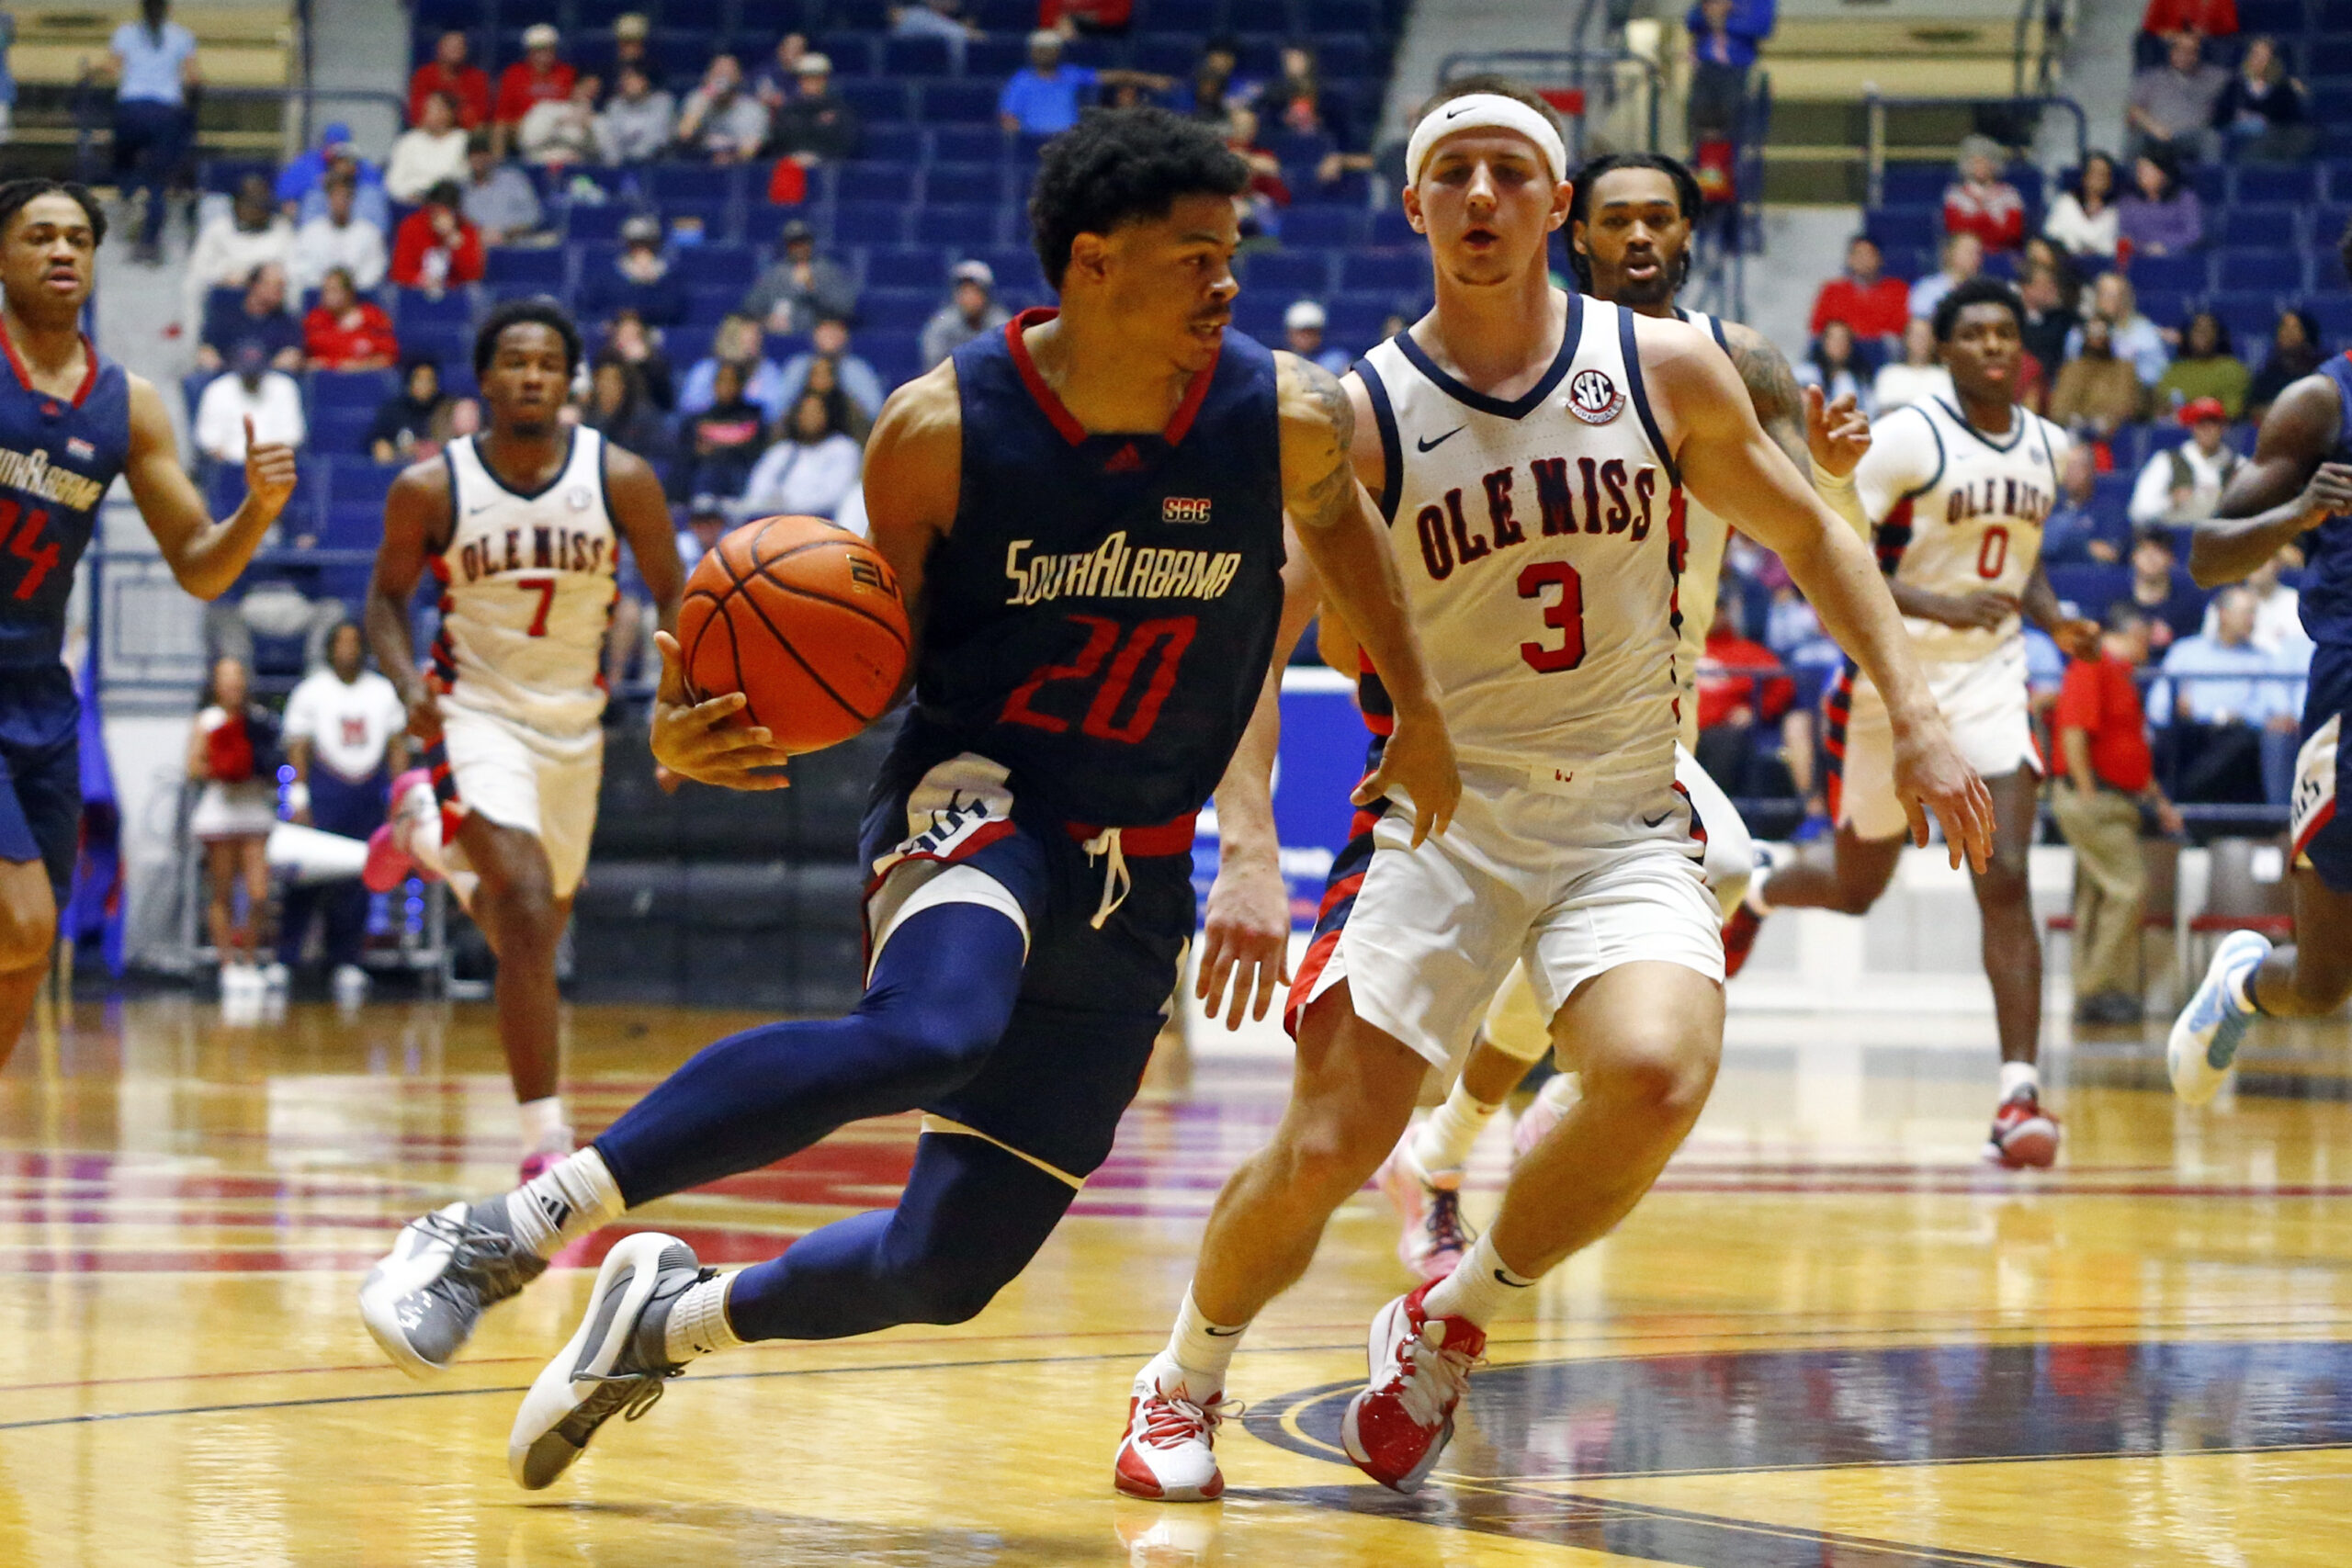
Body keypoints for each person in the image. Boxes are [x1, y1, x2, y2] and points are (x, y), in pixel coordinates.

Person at [355, 110, 1460, 1502]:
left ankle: (668, 1318)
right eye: (1198, 259)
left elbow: (1344, 530)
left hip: (1139, 863)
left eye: (1232, 255)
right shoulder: (941, 431)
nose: (1228, 285)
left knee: (946, 1267)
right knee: (934, 1026)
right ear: (1094, 266)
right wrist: (716, 724)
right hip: (978, 797)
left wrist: (1415, 710)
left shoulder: (1286, 412)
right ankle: (501, 1227)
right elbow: (870, 657)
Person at [1112, 90, 1987, 1503]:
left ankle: (1452, 1321)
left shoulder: (1669, 368)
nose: (1479, 195)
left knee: (1654, 1071)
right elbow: (1242, 650)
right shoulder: (1361, 414)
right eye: (1449, 172)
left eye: (1509, 172)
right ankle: (1184, 1373)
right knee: (1331, 1141)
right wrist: (1251, 850)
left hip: (1624, 813)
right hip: (1437, 819)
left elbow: (1820, 539)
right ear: (1414, 208)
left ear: (1554, 205)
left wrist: (1921, 713)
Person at [1365, 149, 1872, 1277]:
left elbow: (1817, 537)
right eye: (1615, 220)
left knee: (1714, 880)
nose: (1639, 237)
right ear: (1571, 230)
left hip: (1652, 713)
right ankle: (1456, 1138)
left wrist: (1835, 482)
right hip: (1516, 726)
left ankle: (1445, 1150)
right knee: (1724, 866)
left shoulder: (1732, 364)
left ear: (1691, 234)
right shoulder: (1499, 356)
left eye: (1660, 219)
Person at [1725, 278, 2093, 1171]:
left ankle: (2017, 1099)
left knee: (2002, 873)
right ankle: (1762, 890)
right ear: (1945, 349)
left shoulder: (2049, 446)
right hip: (1893, 679)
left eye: (2006, 332)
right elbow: (1826, 557)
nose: (1994, 346)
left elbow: (2018, 563)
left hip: (1994, 678)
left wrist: (2050, 618)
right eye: (1974, 334)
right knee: (1857, 889)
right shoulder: (1907, 440)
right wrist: (1938, 602)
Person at [359, 300, 684, 1179]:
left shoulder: (621, 479)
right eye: (515, 361)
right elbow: (386, 600)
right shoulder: (431, 486)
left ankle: (421, 832)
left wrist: (676, 715)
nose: (533, 375)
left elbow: (675, 596)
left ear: (572, 379)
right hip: (473, 713)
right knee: (530, 903)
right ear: (486, 379)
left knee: (525, 935)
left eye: (548, 363)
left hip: (574, 728)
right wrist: (402, 683)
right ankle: (547, 1140)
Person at [0, 180, 295, 1064]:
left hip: (39, 690)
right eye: (40, 236)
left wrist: (258, 509)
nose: (63, 251)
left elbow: (200, 566)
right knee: (21, 915)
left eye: (80, 239)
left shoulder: (127, 404)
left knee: (29, 946)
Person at [2170, 235, 2352, 1096]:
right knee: (2321, 983)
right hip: (2346, 703)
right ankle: (2243, 981)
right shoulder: (2319, 405)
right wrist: (2296, 518)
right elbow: (2207, 556)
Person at [2051, 605, 2181, 1024]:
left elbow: (2126, 749)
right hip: (2097, 801)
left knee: (2099, 896)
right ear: (2133, 632)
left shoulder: (2118, 674)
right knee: (2128, 888)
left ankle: (2094, 993)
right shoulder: (2093, 667)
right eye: (2147, 637)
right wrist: (2088, 795)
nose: (2150, 647)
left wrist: (2158, 801)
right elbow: (2073, 732)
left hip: (2115, 801)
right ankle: (2099, 989)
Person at [278, 621, 409, 1001]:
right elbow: (298, 745)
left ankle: (347, 958)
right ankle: (288, 956)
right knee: (306, 875)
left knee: (359, 877)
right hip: (325, 789)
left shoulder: (383, 692)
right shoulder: (312, 691)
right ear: (330, 647)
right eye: (342, 642)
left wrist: (398, 798)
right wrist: (298, 794)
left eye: (355, 642)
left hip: (367, 791)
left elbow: (397, 744)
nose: (348, 650)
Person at [2149, 583, 2301, 805]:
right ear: (2224, 615)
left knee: (2243, 741)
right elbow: (2158, 704)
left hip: (2240, 733)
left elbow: (2277, 707)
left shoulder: (2262, 659)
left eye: (2254, 613)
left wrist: (2241, 715)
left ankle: (2184, 802)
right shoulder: (2186, 651)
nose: (2252, 620)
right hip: (2192, 730)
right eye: (2246, 613)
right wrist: (2178, 707)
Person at [186, 656, 280, 995]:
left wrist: (259, 766)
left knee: (258, 893)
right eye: (226, 678)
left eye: (238, 677)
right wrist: (223, 766)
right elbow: (192, 768)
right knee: (222, 890)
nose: (233, 685)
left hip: (254, 811)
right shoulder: (207, 721)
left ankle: (251, 958)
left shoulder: (260, 720)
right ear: (215, 684)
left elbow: (276, 765)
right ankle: (228, 964)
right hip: (221, 814)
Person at [107, 0, 198, 264]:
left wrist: (90, 71)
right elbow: (194, 78)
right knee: (159, 182)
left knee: (123, 164)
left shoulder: (125, 33)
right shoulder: (181, 36)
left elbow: (112, 68)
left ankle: (129, 197)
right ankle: (149, 241)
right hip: (165, 113)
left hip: (131, 110)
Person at [183, 174, 294, 344]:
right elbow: (200, 268)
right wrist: (224, 275)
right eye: (250, 201)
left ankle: (287, 344)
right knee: (191, 285)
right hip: (226, 288)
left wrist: (257, 279)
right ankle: (196, 345)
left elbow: (290, 268)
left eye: (261, 201)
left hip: (269, 292)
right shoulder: (218, 229)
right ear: (237, 203)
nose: (256, 207)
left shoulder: (281, 229)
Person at [997, 31, 1161, 136]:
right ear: (1031, 53)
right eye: (1040, 49)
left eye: (1049, 49)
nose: (1044, 54)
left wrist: (1153, 80)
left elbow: (1114, 77)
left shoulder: (1071, 74)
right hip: (1032, 143)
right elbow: (1008, 117)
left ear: (1059, 52)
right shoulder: (1020, 81)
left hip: (1069, 141)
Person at [733, 389, 861, 520]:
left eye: (816, 411)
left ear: (828, 414)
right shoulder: (782, 450)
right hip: (773, 521)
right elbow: (755, 491)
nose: (810, 417)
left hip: (821, 523)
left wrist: (787, 504)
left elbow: (833, 497)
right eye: (804, 412)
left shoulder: (843, 448)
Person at [2131, 396, 2243, 525]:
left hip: (2223, 539)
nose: (2207, 429)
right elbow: (2138, 510)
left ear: (2223, 426)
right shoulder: (2166, 460)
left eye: (2213, 422)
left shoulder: (2239, 465)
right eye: (2201, 423)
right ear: (2193, 426)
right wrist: (2171, 501)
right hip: (2178, 538)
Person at [195, 343, 306, 463]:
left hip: (275, 465)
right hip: (230, 466)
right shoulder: (217, 389)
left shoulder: (284, 386)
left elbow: (293, 436)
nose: (252, 378)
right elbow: (208, 440)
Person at [741, 220, 857, 333]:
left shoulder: (828, 271)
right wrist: (766, 320)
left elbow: (845, 308)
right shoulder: (775, 273)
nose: (799, 247)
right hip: (778, 337)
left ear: (810, 242)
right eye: (793, 243)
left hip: (815, 337)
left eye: (803, 241)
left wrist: (813, 289)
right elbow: (750, 307)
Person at [2129, 29, 2228, 163]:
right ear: (2171, 52)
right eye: (2179, 50)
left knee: (2211, 138)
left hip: (2192, 136)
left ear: (2198, 54)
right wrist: (2154, 127)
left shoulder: (2215, 77)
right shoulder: (2151, 77)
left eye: (2190, 51)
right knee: (2135, 140)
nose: (2184, 55)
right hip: (2156, 134)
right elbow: (2134, 111)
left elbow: (2242, 79)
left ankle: (2209, 180)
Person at [2215, 35, 2313, 163]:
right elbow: (2220, 114)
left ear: (2273, 60)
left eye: (2264, 56)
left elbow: (2290, 118)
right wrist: (2237, 116)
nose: (2258, 60)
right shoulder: (2235, 85)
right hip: (2238, 135)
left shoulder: (2282, 87)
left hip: (2273, 137)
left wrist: (2265, 119)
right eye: (2255, 54)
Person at [2050, 316, 2148, 442]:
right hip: (2075, 435)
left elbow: (2126, 404)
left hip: (2115, 436)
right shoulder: (2072, 369)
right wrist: (2075, 420)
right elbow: (2059, 407)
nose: (2097, 340)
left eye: (2101, 334)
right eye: (2093, 334)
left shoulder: (2124, 369)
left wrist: (2107, 420)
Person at [1685, 0, 1772, 140]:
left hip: (1738, 67)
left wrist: (1723, 20)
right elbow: (1691, 21)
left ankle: (1730, 157)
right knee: (1702, 124)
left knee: (1735, 122)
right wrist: (1710, 16)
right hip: (1706, 67)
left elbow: (1762, 27)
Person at [679, 313, 788, 423]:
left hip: (752, 429)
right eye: (750, 335)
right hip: (710, 426)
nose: (756, 340)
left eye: (758, 335)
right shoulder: (706, 369)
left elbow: (774, 410)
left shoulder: (767, 369)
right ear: (730, 337)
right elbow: (689, 407)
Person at [681, 361, 769, 498]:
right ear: (714, 385)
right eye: (722, 381)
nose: (726, 387)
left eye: (732, 381)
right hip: (703, 482)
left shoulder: (755, 417)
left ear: (741, 385)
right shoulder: (697, 420)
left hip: (741, 480)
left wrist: (718, 448)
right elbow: (687, 453)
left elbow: (756, 453)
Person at [197, 262, 302, 376]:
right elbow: (207, 349)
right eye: (276, 285)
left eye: (283, 287)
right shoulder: (225, 315)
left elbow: (291, 356)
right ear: (255, 285)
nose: (280, 292)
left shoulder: (288, 322)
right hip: (227, 379)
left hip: (270, 381)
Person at [290, 172, 387, 294]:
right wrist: (329, 288)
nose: (340, 202)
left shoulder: (370, 233)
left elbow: (375, 271)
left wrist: (346, 289)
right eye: (335, 196)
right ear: (328, 198)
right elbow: (300, 268)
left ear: (352, 199)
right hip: (319, 299)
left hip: (358, 299)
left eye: (345, 197)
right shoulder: (309, 233)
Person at [582, 215, 685, 328]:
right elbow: (590, 307)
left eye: (647, 244)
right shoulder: (607, 276)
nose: (641, 250)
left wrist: (651, 284)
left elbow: (674, 311)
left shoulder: (668, 277)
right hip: (615, 331)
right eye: (635, 244)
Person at [775, 316, 884, 422]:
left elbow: (874, 411)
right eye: (825, 330)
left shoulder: (857, 368)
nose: (830, 336)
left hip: (847, 435)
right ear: (814, 335)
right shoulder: (798, 365)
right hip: (798, 436)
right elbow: (778, 410)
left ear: (845, 336)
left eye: (835, 330)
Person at [764, 51, 862, 166]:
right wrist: (793, 158)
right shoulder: (788, 110)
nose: (812, 83)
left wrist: (820, 159)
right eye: (806, 78)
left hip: (828, 171)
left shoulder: (839, 110)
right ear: (799, 81)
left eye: (817, 78)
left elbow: (846, 143)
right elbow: (777, 143)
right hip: (791, 168)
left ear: (825, 80)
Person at [1810, 234, 1909, 346]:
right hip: (1841, 352)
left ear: (1880, 259)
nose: (1864, 260)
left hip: (1881, 353)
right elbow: (1817, 328)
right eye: (1859, 254)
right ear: (1850, 260)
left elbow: (1900, 329)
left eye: (1869, 254)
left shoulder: (1897, 290)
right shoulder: (1832, 290)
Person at [495, 24, 576, 157]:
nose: (544, 53)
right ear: (529, 51)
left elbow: (573, 108)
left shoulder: (567, 73)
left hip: (561, 134)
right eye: (539, 49)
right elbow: (502, 119)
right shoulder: (514, 74)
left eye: (549, 48)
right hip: (526, 134)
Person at [390, 181, 485, 294]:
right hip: (416, 292)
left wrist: (455, 243)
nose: (439, 218)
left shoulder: (467, 230)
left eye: (445, 212)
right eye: (434, 212)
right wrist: (422, 280)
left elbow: (473, 277)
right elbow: (399, 272)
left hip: (454, 295)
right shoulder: (411, 226)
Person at [2043, 441, 2128, 564]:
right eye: (2065, 466)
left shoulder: (2109, 509)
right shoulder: (2051, 506)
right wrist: (2086, 545)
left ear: (2090, 469)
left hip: (2092, 579)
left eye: (2075, 466)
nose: (2069, 472)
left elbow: (2109, 553)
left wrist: (2059, 542)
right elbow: (2036, 549)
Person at [675, 54, 769, 164]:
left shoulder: (754, 109)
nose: (723, 78)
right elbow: (684, 135)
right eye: (718, 72)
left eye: (728, 73)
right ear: (708, 77)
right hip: (698, 164)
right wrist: (707, 97)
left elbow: (749, 152)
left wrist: (729, 160)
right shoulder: (697, 99)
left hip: (735, 169)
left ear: (739, 78)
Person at [920, 260, 1011, 369]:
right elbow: (933, 365)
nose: (969, 298)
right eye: (964, 291)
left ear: (986, 294)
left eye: (975, 291)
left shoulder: (1002, 325)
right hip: (950, 383)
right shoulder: (941, 325)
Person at [2127, 525, 2208, 651]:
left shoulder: (2189, 606)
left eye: (2159, 551)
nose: (2150, 557)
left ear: (2171, 559)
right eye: (2143, 550)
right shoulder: (2117, 602)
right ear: (2133, 557)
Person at [304, 267, 398, 372]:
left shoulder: (372, 316)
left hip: (365, 378)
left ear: (349, 292)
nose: (328, 296)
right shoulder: (315, 319)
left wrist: (360, 366)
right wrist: (335, 365)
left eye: (334, 290)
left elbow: (388, 357)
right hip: (326, 379)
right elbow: (308, 358)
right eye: (325, 291)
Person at [1942, 134, 2024, 253]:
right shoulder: (1955, 195)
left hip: (2001, 254)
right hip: (1966, 255)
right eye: (1975, 162)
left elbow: (2012, 233)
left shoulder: (2009, 194)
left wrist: (1975, 221)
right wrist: (1992, 223)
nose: (1980, 166)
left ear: (1994, 164)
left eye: (1985, 161)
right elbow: (1956, 231)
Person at [581, 356, 668, 467]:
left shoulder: (644, 419)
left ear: (625, 385)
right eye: (601, 379)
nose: (605, 385)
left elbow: (656, 460)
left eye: (612, 380)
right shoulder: (589, 417)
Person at [389, 91, 471, 205]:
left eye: (435, 109)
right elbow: (393, 182)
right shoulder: (408, 141)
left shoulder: (462, 140)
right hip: (410, 203)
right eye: (427, 109)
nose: (428, 113)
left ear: (449, 112)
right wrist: (410, 195)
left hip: (448, 202)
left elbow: (463, 177)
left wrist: (433, 194)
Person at [459, 135, 544, 247]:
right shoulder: (461, 190)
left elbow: (534, 216)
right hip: (479, 251)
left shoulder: (513, 179)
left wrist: (506, 233)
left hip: (517, 247)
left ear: (491, 156)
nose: (479, 159)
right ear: (467, 159)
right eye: (474, 155)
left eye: (483, 154)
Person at [2117, 150, 2202, 257]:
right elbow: (2125, 237)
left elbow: (2193, 234)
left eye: (2146, 171)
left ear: (2163, 173)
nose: (2140, 175)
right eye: (2139, 171)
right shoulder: (2128, 202)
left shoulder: (2185, 199)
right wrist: (2145, 248)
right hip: (2139, 260)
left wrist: (2166, 247)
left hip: (2177, 260)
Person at [2042, 152, 2120, 263]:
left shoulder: (2115, 212)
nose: (2097, 179)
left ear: (2109, 181)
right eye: (2093, 173)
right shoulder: (2066, 204)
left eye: (2102, 174)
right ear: (2084, 177)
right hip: (2067, 269)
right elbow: (2050, 240)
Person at [2247, 309, 2323, 422]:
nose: (2287, 333)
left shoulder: (2320, 369)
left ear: (2307, 333)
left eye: (2294, 328)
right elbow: (2254, 408)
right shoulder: (2269, 372)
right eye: (2284, 328)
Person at [371, 357, 449, 465]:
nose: (424, 385)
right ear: (409, 383)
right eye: (419, 380)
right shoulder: (393, 410)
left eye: (430, 380)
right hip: (403, 467)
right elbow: (377, 440)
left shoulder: (447, 408)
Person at [409, 29, 490, 131]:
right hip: (429, 132)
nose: (455, 51)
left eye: (459, 47)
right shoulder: (424, 74)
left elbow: (479, 116)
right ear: (440, 49)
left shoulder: (478, 77)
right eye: (450, 47)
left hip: (464, 132)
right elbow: (417, 114)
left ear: (466, 50)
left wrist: (446, 115)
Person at [596, 63, 675, 166]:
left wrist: (632, 159)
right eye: (624, 80)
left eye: (632, 79)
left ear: (645, 81)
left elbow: (658, 137)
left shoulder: (662, 102)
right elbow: (611, 139)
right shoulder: (615, 105)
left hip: (656, 164)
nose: (627, 83)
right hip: (620, 165)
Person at [519, 74, 603, 169]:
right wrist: (559, 122)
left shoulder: (597, 120)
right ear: (575, 87)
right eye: (587, 88)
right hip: (539, 166)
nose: (590, 93)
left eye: (595, 91)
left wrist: (589, 129)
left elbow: (607, 157)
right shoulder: (545, 108)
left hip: (577, 170)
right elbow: (528, 142)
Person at [1871, 317, 1953, 412]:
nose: (1921, 341)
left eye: (1926, 336)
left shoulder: (1945, 375)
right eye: (1916, 336)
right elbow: (1885, 414)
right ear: (1906, 339)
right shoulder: (1889, 373)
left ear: (1934, 341)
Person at [2016, 264, 2078, 389]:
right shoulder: (2014, 322)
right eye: (2045, 285)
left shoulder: (2065, 320)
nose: (2052, 289)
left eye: (2053, 285)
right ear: (2026, 288)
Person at [1907, 231, 1982, 324]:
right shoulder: (1927, 288)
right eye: (1968, 251)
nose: (1974, 257)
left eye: (1977, 253)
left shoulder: (1984, 291)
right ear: (1949, 253)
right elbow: (1919, 325)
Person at [1798, 319, 1871, 412]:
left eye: (1844, 339)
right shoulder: (1806, 373)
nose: (1839, 345)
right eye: (1833, 339)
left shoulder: (1857, 380)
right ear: (1824, 342)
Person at [1278, 299, 1351, 378]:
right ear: (1290, 333)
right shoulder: (1279, 361)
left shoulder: (1336, 360)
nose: (1306, 337)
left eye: (1311, 332)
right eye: (1302, 332)